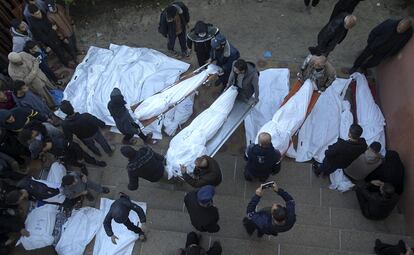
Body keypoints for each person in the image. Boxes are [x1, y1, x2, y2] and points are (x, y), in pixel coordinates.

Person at [18, 120, 106, 170]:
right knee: (72, 162)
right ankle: (82, 167)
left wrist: (79, 157)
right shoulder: (34, 144)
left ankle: (95, 162)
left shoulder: (49, 132)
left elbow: (69, 142)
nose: (35, 133)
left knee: (84, 155)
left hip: (64, 146)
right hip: (61, 154)